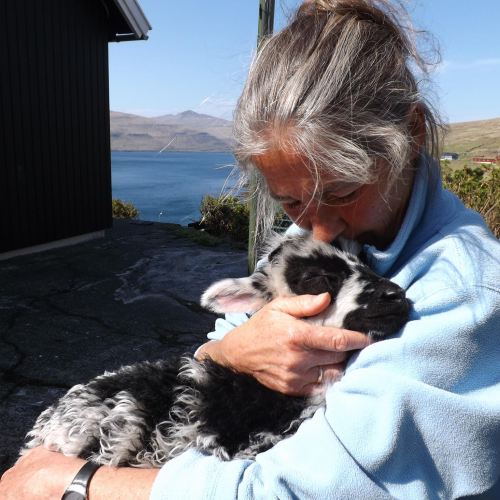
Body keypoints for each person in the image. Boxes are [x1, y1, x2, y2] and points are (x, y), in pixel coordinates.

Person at [2, 0, 500, 498]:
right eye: (291, 201)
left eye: (344, 193)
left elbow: (297, 490)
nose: (318, 231)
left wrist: (72, 483)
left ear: (411, 134)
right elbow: (223, 348)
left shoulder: (461, 297)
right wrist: (228, 351)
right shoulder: (311, 246)